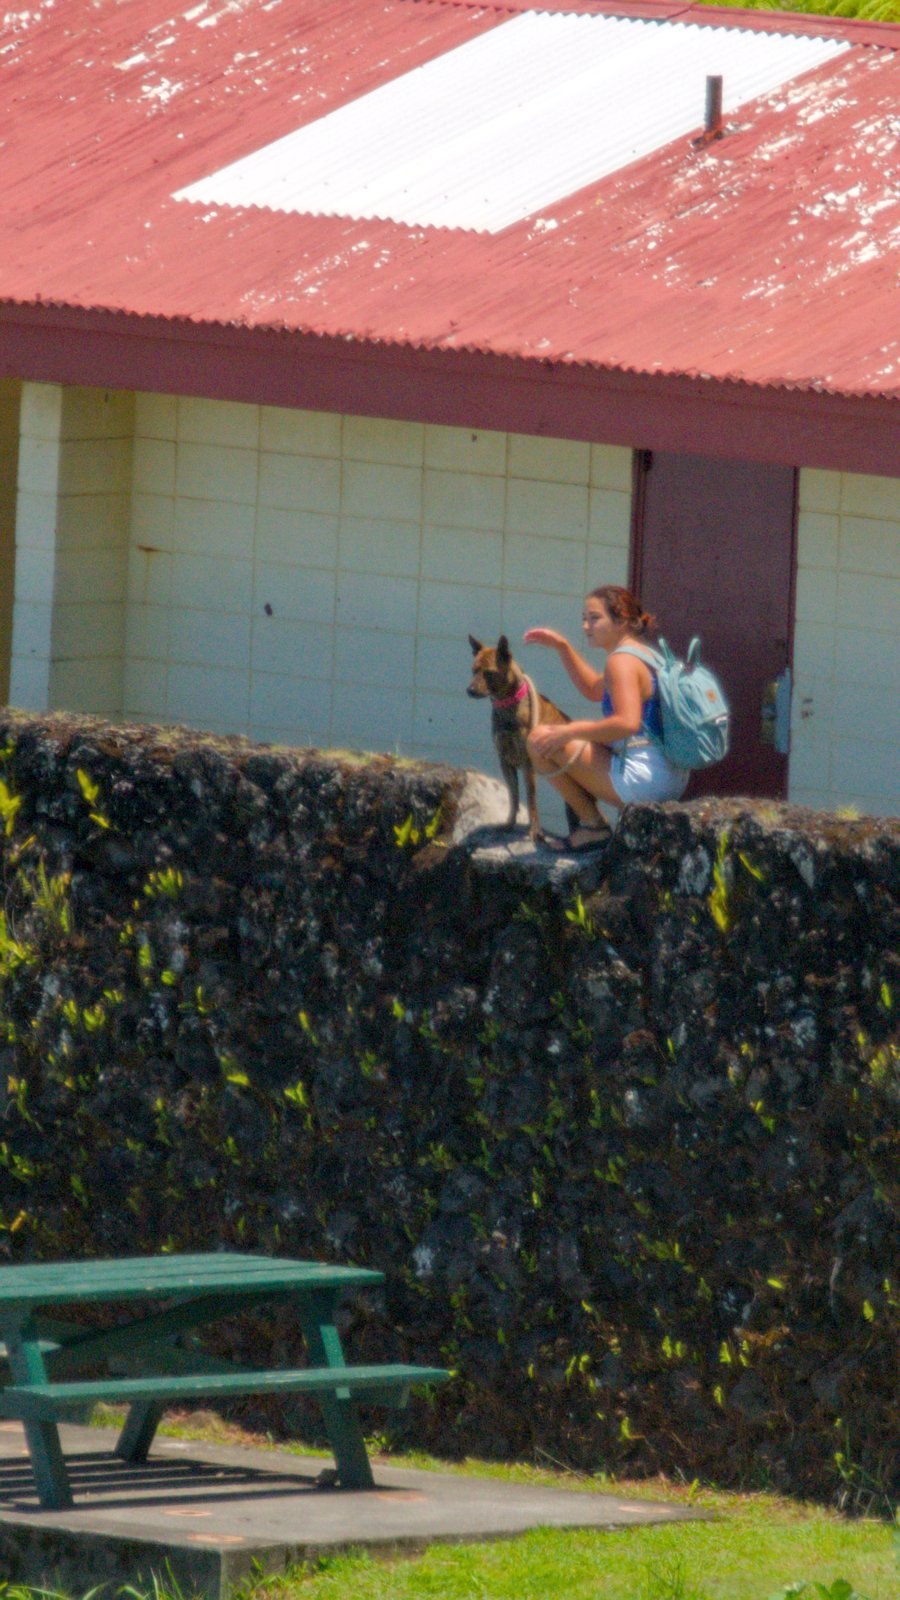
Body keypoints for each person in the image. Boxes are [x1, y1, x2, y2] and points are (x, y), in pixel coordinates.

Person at [523, 585, 689, 851]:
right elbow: (592, 689)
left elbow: (627, 723)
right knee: (555, 736)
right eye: (584, 618)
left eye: (594, 618)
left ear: (621, 620)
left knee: (538, 740)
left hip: (643, 781)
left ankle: (593, 827)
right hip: (670, 776)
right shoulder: (647, 655)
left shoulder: (621, 662)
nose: (586, 625)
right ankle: (592, 825)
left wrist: (571, 731)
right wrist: (562, 646)